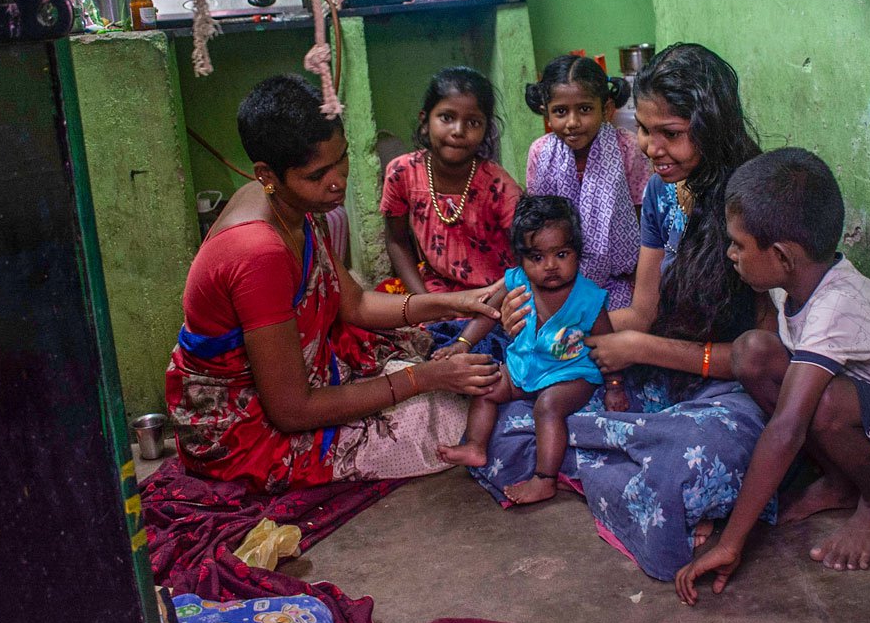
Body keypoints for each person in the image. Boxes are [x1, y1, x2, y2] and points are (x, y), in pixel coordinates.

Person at [483, 44, 775, 580]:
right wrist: (550, 325)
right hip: (667, 371)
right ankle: (677, 495)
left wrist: (640, 349)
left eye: (672, 132)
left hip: (732, 385)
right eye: (643, 129)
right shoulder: (664, 196)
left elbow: (764, 358)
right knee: (519, 419)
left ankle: (672, 487)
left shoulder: (751, 203)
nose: (652, 148)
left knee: (688, 457)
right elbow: (640, 312)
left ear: (712, 126)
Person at [165, 75, 503, 495]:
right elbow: (291, 410)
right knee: (457, 422)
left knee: (444, 371)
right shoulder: (257, 252)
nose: (337, 181)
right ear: (267, 173)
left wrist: (453, 302)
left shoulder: (292, 203)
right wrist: (426, 378)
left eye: (340, 159)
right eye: (317, 173)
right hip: (246, 429)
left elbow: (356, 304)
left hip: (294, 384)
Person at [674, 148, 870, 604]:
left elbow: (788, 427)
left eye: (738, 243)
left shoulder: (836, 307)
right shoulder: (791, 285)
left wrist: (732, 541)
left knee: (821, 405)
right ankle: (841, 482)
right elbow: (767, 368)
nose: (730, 253)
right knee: (752, 353)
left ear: (781, 255)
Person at [437, 195, 628, 503]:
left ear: (578, 253)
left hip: (572, 374)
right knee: (485, 384)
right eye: (537, 258)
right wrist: (462, 344)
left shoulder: (590, 298)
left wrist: (615, 386)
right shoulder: (516, 281)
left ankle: (544, 479)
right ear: (522, 260)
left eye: (561, 254)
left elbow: (608, 346)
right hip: (524, 368)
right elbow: (488, 313)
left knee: (548, 406)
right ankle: (475, 445)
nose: (550, 266)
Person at [381, 66, 522, 295]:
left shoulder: (499, 187)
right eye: (447, 118)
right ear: (425, 122)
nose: (458, 130)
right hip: (434, 292)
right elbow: (397, 242)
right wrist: (424, 302)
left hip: (495, 296)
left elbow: (529, 256)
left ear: (486, 131)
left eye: (473, 123)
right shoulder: (402, 173)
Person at [525, 55, 651, 309]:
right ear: (546, 112)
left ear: (605, 109)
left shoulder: (626, 147)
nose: (572, 123)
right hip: (557, 277)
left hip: (618, 277)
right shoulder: (540, 152)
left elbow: (641, 213)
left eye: (584, 109)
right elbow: (537, 221)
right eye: (561, 111)